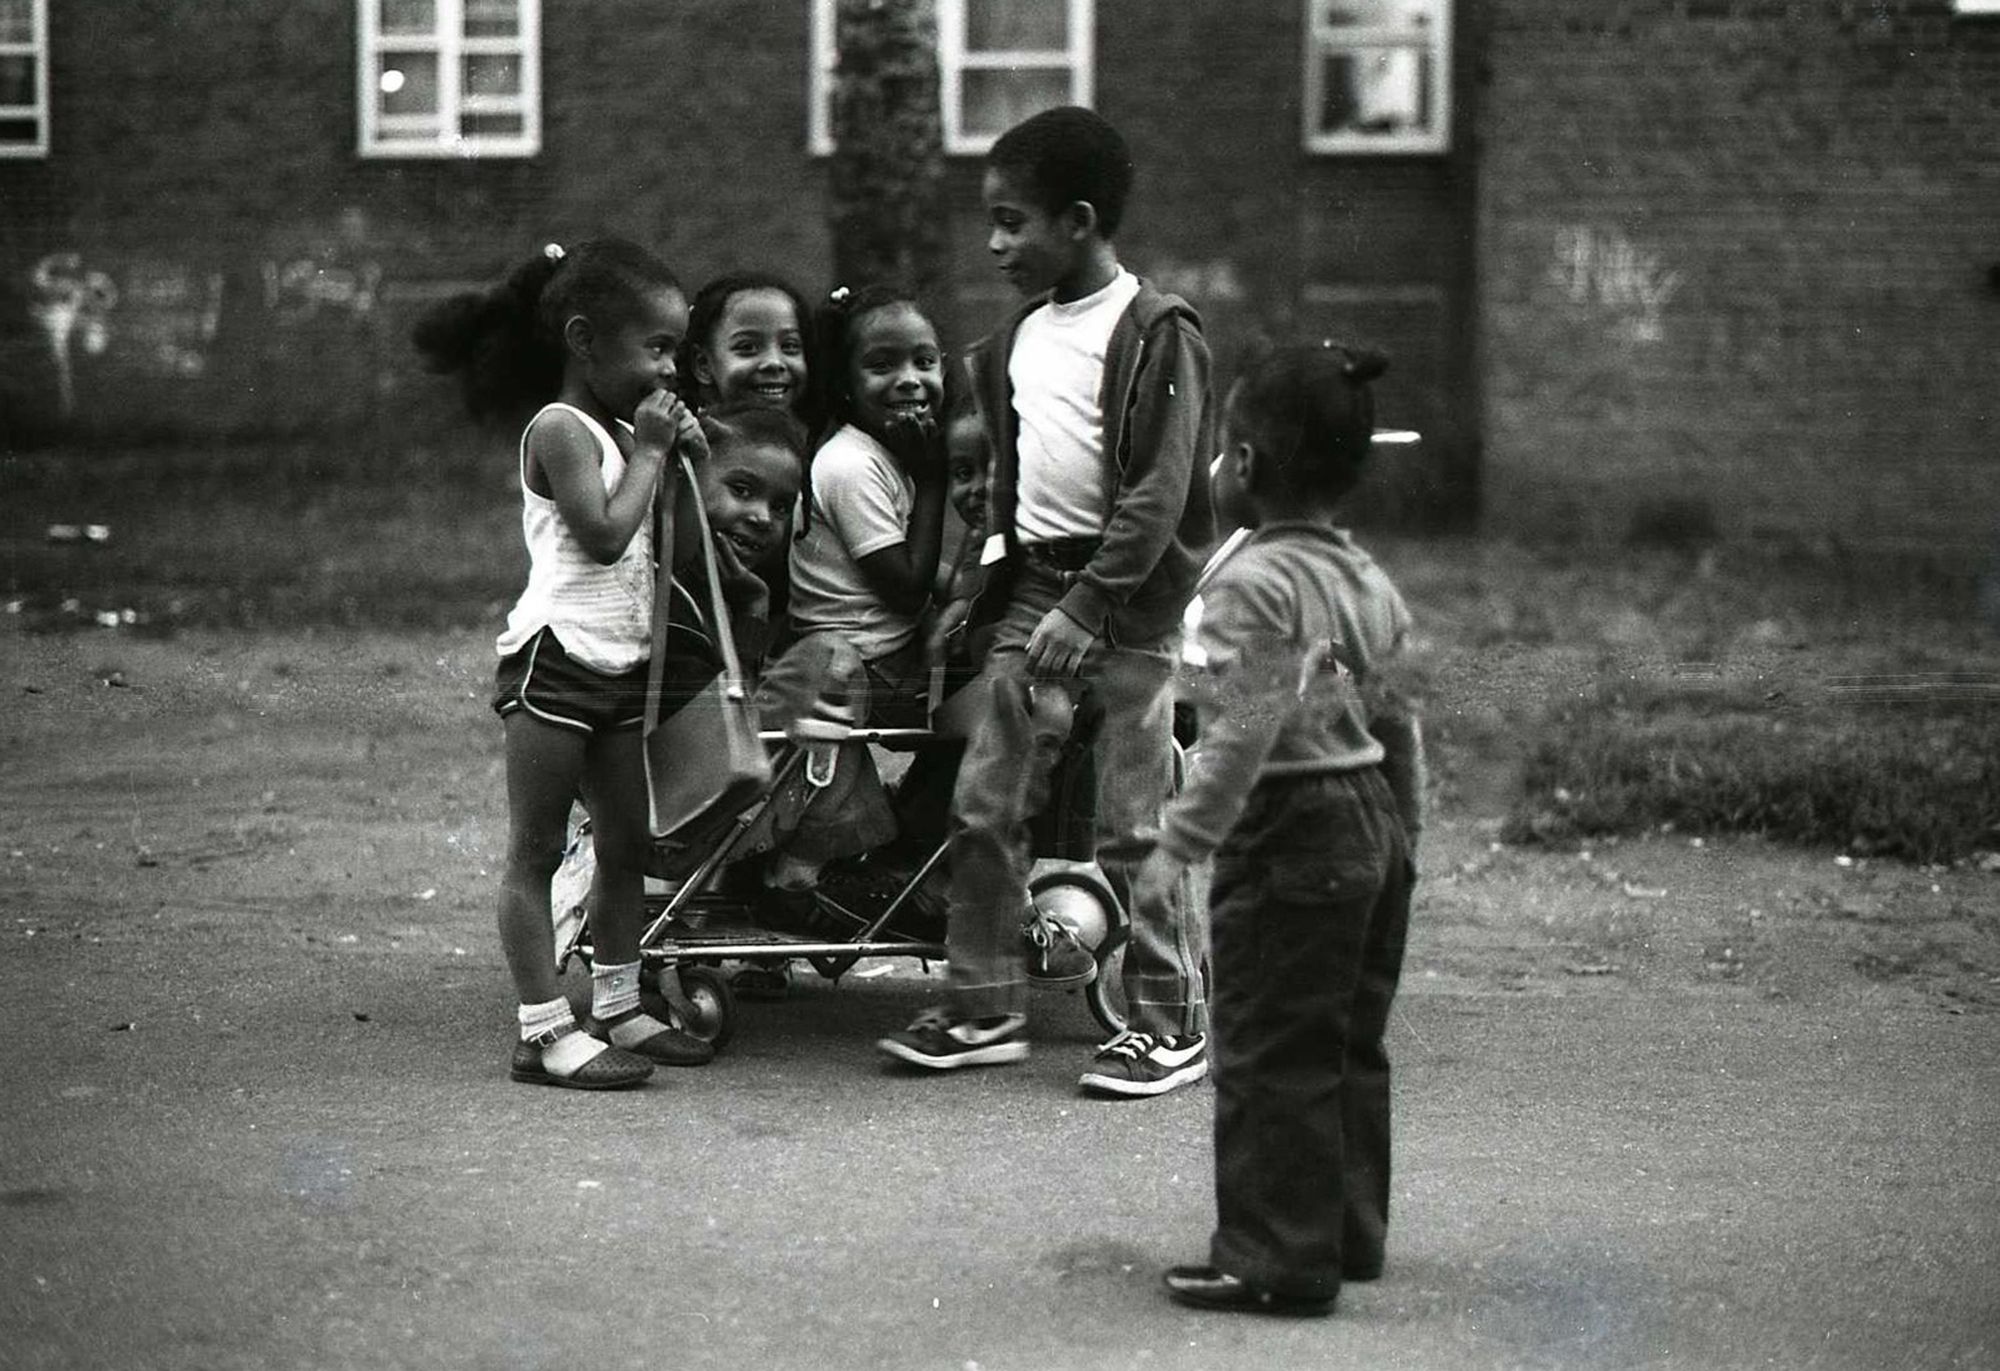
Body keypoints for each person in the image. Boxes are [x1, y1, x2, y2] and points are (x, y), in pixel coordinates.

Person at [877, 106, 1217, 1096]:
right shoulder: (1013, 341)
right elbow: (1010, 493)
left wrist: (1094, 605)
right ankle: (983, 1007)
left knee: (1132, 822)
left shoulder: (1157, 331)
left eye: (1010, 222)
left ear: (1076, 220)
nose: (992, 244)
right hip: (1035, 594)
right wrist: (981, 587)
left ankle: (1167, 1024)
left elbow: (1159, 492)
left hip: (1131, 607)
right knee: (985, 803)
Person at [1152, 341, 1425, 1316]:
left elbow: (1243, 729)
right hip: (1369, 825)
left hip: (1289, 831)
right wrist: (1405, 831)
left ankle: (1273, 1258)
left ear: (1247, 467)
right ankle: (1346, 1234)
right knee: (1348, 1041)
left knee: (1268, 1049)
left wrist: (1178, 843)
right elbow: (1396, 718)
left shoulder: (1249, 584)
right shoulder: (1364, 580)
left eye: (1222, 453)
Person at [412, 237, 716, 1089]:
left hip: (620, 665)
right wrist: (652, 453)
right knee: (537, 848)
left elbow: (666, 544)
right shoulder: (559, 429)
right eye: (655, 348)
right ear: (586, 341)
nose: (669, 368)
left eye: (676, 350)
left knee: (627, 844)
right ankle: (542, 1030)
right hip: (555, 664)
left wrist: (681, 455)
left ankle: (617, 1002)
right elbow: (605, 532)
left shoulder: (624, 429)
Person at [747, 283, 952, 896]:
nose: (911, 379)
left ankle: (911, 826)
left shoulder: (880, 452)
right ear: (844, 386)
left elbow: (898, 564)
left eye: (926, 362)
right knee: (1003, 703)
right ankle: (923, 844)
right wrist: (935, 481)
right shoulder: (851, 464)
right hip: (867, 667)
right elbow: (905, 593)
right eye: (882, 366)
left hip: (874, 651)